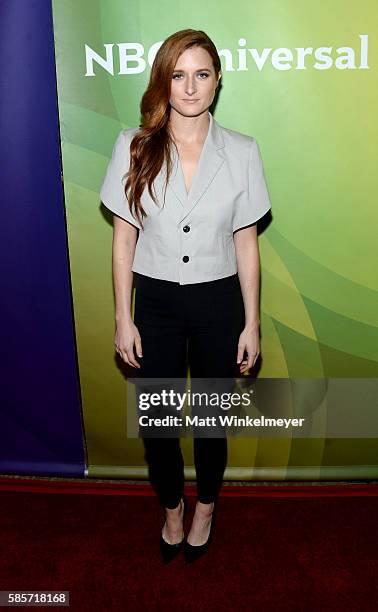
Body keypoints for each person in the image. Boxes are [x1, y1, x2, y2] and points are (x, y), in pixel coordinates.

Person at [100, 29, 271, 563]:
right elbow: (123, 239)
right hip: (155, 303)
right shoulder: (134, 145)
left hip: (220, 302)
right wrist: (124, 319)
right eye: (179, 74)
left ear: (217, 82)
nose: (190, 87)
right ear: (163, 81)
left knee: (212, 423)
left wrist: (251, 323)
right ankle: (173, 505)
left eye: (202, 74)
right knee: (158, 426)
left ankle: (208, 506)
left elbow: (246, 244)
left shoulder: (242, 151)